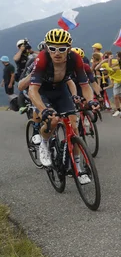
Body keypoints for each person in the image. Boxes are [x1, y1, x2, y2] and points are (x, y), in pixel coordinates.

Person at [28, 29, 98, 177]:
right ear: (47, 48)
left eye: (62, 49)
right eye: (52, 49)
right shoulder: (41, 59)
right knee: (52, 120)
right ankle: (44, 144)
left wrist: (90, 100)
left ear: (69, 48)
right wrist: (42, 110)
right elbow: (32, 90)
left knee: (74, 127)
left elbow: (85, 85)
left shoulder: (75, 58)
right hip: (43, 91)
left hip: (60, 89)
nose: (57, 53)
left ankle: (77, 167)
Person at [95, 51, 121, 116]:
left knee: (118, 96)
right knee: (117, 96)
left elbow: (114, 68)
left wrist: (110, 61)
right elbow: (96, 68)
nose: (105, 58)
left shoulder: (115, 61)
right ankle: (120, 109)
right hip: (116, 81)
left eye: (106, 57)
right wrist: (102, 62)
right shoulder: (104, 63)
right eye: (104, 57)